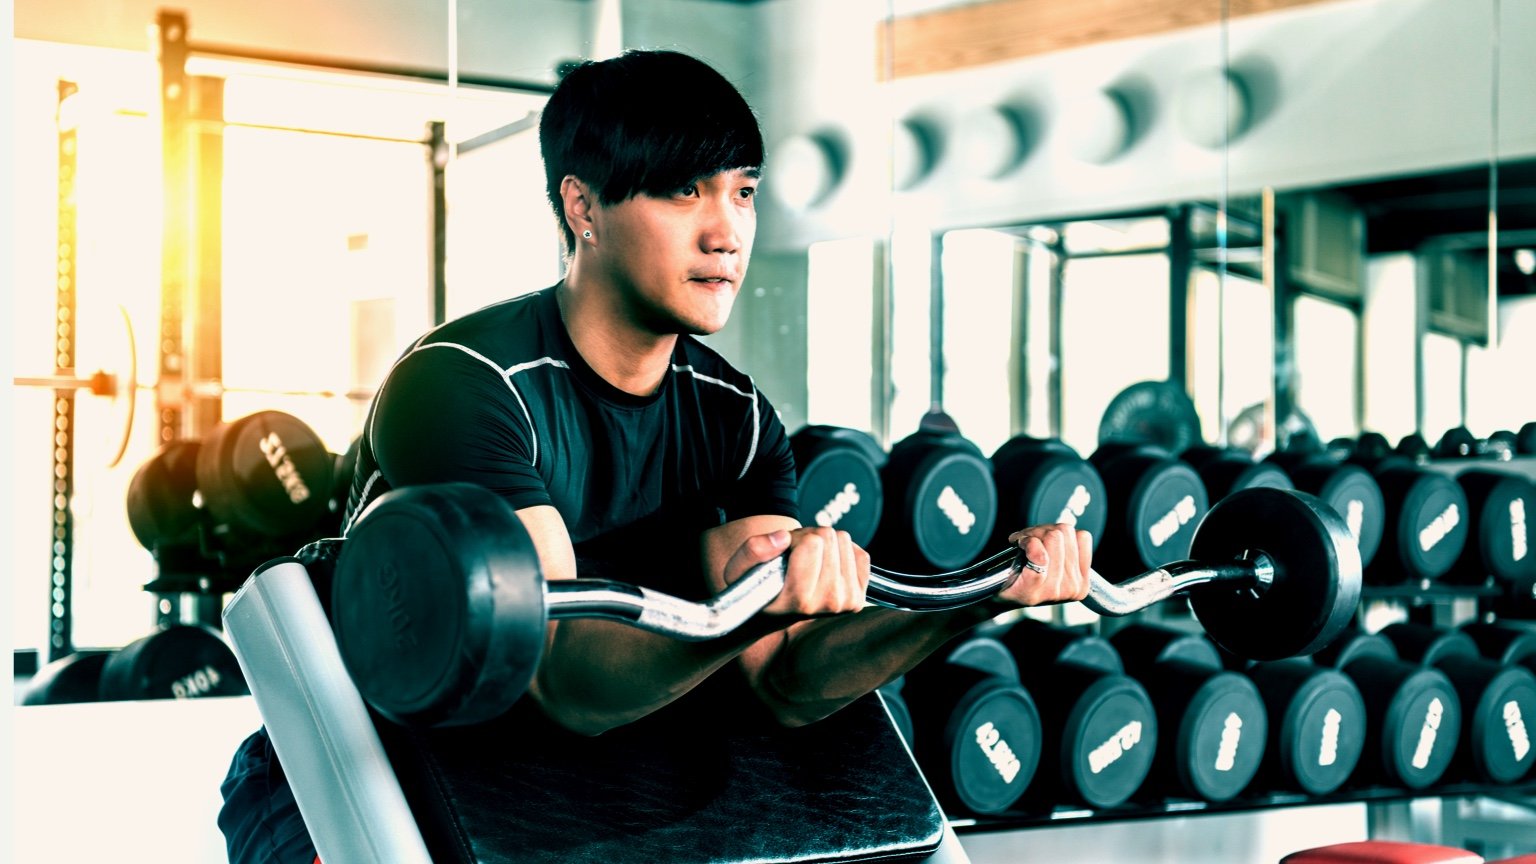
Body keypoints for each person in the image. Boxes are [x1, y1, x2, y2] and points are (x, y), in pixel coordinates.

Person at [219, 49, 1091, 863]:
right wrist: (753, 605)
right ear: (583, 208)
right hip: (354, 784)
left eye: (742, 192)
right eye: (683, 193)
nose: (726, 233)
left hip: (573, 799)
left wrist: (977, 595)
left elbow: (784, 681)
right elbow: (562, 678)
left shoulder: (735, 416)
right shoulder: (464, 384)